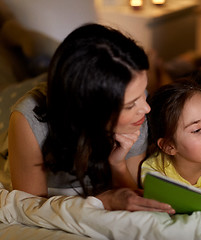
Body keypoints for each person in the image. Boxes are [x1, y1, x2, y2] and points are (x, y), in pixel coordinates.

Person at [7, 23, 174, 213]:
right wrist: (101, 202)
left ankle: (167, 68)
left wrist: (118, 164)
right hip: (11, 104)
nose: (146, 107)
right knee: (24, 58)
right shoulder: (29, 119)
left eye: (143, 94)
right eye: (130, 105)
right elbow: (29, 209)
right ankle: (12, 29)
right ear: (91, 110)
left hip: (69, 84)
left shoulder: (135, 106)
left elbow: (133, 196)